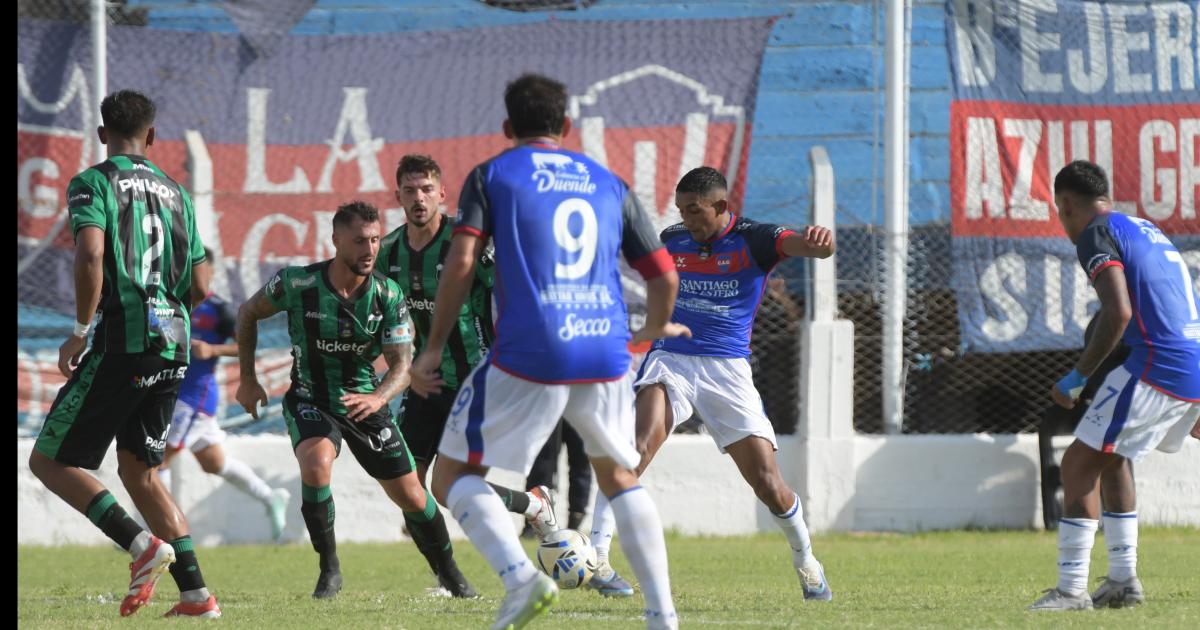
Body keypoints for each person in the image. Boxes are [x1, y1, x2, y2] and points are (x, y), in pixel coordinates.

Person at [410, 73, 686, 630]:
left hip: (530, 348)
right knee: (620, 477)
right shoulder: (609, 182)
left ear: (509, 128)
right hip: (603, 350)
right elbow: (663, 273)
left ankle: (520, 579)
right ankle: (663, 615)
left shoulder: (493, 174)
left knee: (449, 475)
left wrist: (432, 348)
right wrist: (654, 327)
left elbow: (462, 263)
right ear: (566, 127)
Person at [590, 166, 836, 602]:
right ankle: (597, 556)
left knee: (768, 484)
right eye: (682, 210)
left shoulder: (755, 238)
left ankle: (806, 559)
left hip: (727, 371)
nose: (686, 219)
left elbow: (806, 247)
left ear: (720, 206)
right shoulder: (674, 240)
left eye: (695, 210)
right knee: (635, 448)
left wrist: (821, 243)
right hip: (673, 360)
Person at [27, 89, 221, 618]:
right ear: (153, 136)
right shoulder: (179, 193)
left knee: (48, 459)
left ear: (101, 134)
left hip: (125, 343)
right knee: (141, 472)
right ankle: (197, 595)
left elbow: (91, 252)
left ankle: (140, 546)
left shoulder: (94, 181)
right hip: (173, 343)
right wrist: (167, 306)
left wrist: (79, 329)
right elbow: (203, 283)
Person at [235, 201, 476, 599]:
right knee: (316, 463)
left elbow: (402, 365)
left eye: (376, 240)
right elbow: (247, 313)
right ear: (336, 241)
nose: (370, 249)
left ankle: (450, 573)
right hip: (311, 396)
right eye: (361, 241)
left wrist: (379, 397)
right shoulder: (297, 284)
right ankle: (329, 569)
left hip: (366, 403)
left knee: (414, 496)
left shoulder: (387, 294)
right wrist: (248, 379)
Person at [1028, 160, 1199, 611]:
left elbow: (1118, 312)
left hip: (1156, 362)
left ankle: (1070, 591)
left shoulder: (1095, 234)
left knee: (1078, 464)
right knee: (1113, 457)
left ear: (1065, 204)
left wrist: (1077, 376)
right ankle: (1123, 580)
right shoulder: (1144, 227)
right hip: (1190, 359)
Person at [377, 155, 558, 558]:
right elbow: (386, 322)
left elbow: (514, 294)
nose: (418, 198)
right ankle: (527, 509)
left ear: (442, 194)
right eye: (409, 190)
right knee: (407, 488)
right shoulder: (387, 253)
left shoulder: (469, 242)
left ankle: (530, 511)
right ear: (398, 197)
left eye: (426, 190)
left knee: (447, 488)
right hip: (423, 383)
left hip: (477, 381)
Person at [159, 247, 291, 541]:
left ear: (210, 272)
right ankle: (270, 497)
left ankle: (157, 526)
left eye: (196, 268)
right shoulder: (170, 304)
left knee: (159, 459)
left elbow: (246, 345)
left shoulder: (219, 308)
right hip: (175, 394)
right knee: (213, 463)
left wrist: (213, 349)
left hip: (194, 397)